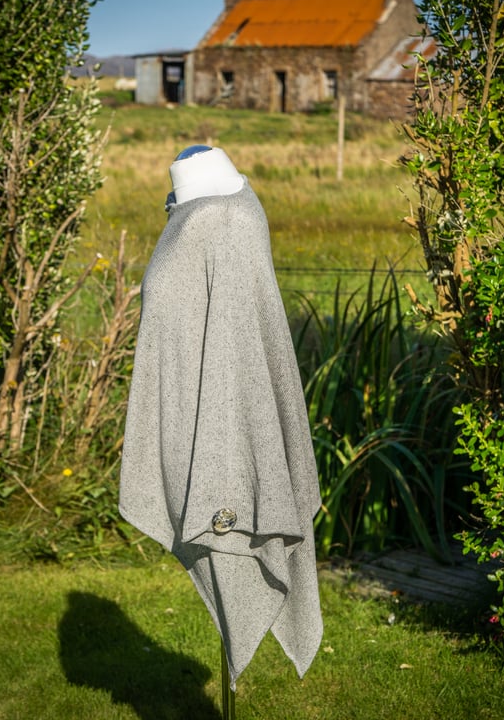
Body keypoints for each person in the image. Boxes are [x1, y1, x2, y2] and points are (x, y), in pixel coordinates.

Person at [119, 145, 323, 689]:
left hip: (227, 429)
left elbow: (236, 366)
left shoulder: (224, 220)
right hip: (193, 420)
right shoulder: (189, 213)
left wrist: (229, 472)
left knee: (229, 538)